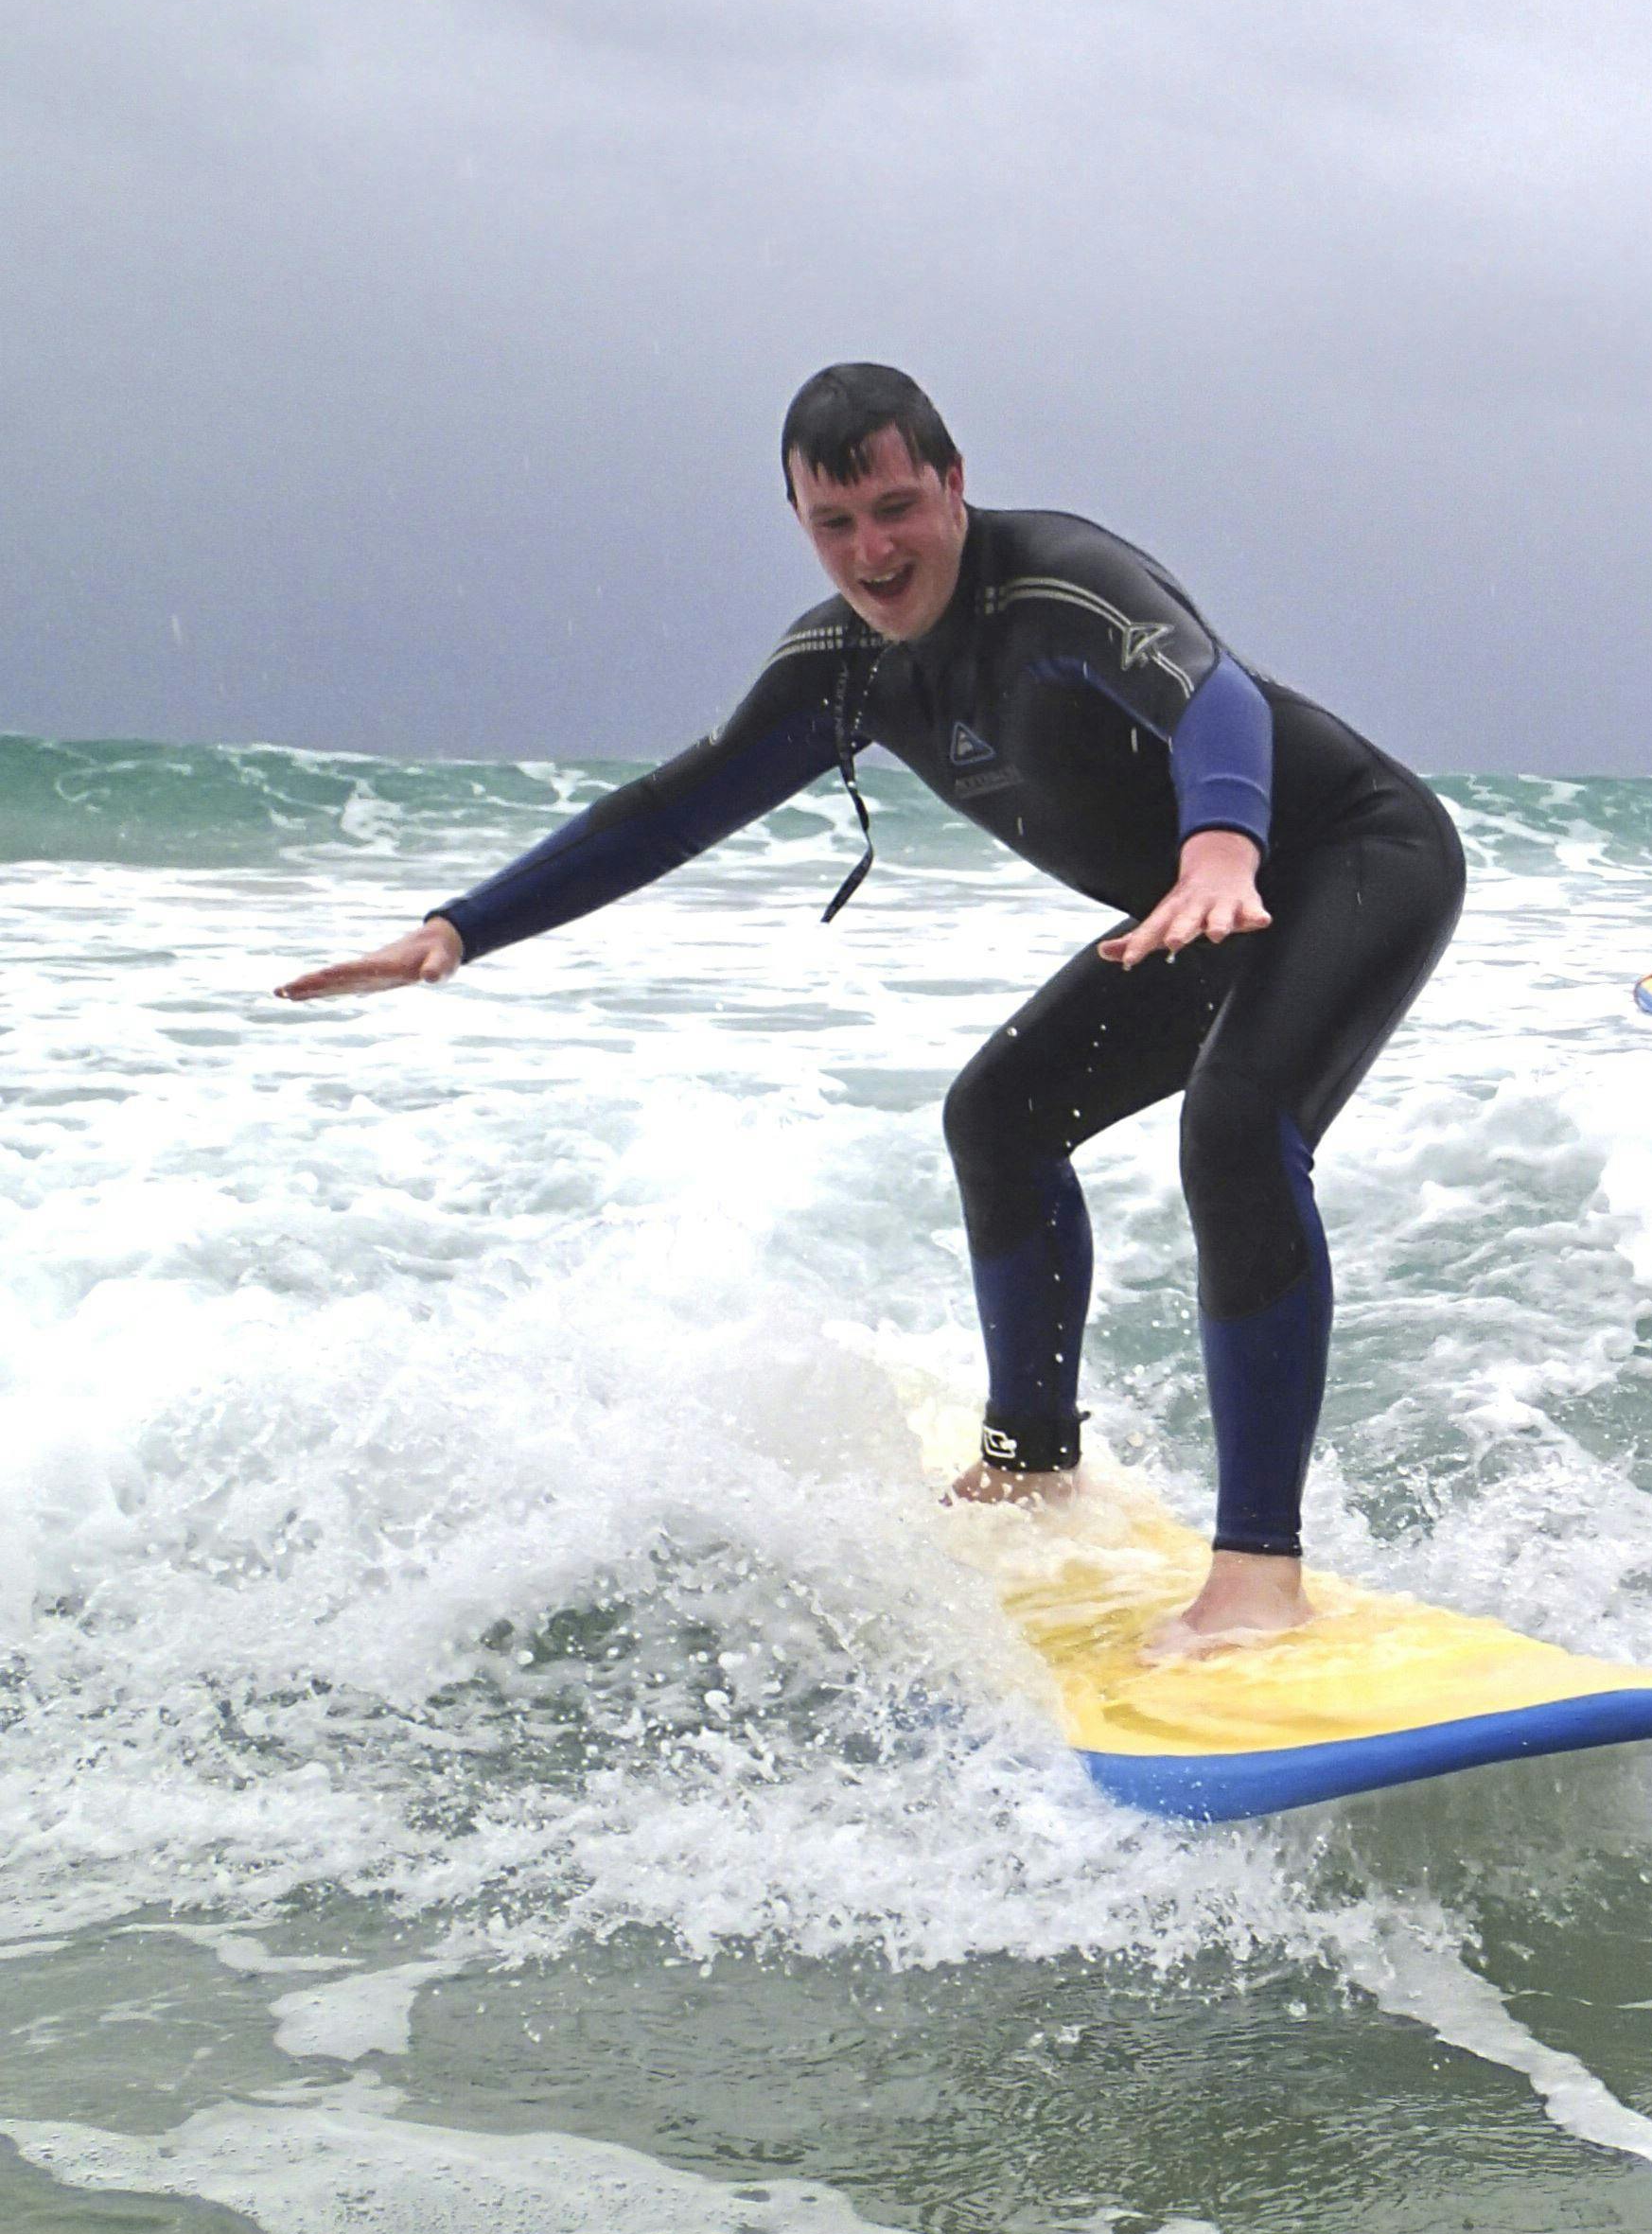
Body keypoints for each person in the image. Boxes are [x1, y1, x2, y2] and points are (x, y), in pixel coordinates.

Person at [279, 363, 1464, 1651]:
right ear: (797, 518)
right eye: (833, 522)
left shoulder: (1058, 581)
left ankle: (1256, 1577)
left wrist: (1222, 844)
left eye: (896, 507)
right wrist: (461, 928)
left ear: (952, 483)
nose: (872, 551)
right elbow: (672, 810)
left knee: (1234, 1128)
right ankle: (1029, 1463)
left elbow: (1212, 693)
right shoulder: (841, 669)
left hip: (1347, 854)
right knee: (1001, 1115)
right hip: (1195, 900)